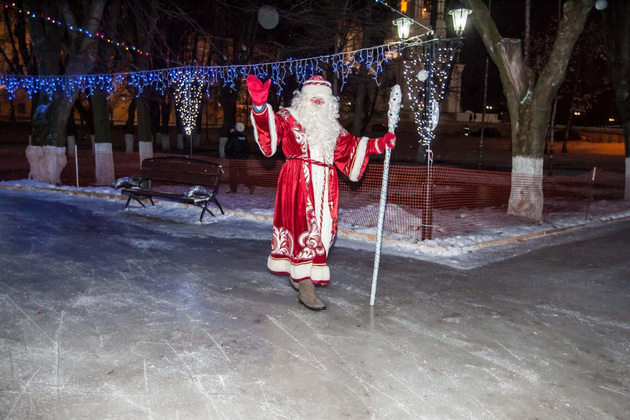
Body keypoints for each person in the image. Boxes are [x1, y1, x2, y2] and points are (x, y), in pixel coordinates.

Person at [246, 74, 396, 311]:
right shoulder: (289, 117)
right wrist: (259, 107)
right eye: (313, 97)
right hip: (297, 181)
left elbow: (350, 147)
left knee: (324, 233)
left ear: (330, 102)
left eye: (322, 98)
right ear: (303, 98)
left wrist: (379, 144)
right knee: (303, 231)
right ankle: (306, 284)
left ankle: (299, 273)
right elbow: (268, 137)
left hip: (326, 185)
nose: (318, 101)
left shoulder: (332, 127)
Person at [224, 123, 254, 194]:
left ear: (233, 129)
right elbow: (247, 148)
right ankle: (250, 186)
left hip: (233, 159)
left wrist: (228, 155)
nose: (230, 130)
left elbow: (228, 147)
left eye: (231, 129)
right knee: (243, 174)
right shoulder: (243, 137)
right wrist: (245, 157)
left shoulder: (232, 137)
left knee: (233, 175)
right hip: (242, 159)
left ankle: (233, 189)